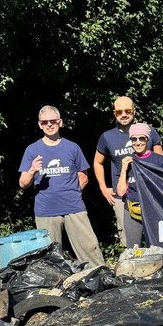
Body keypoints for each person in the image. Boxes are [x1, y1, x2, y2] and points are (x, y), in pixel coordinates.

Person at [19, 105, 105, 267]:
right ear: (39, 124)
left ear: (60, 122)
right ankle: (54, 288)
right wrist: (32, 170)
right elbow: (23, 183)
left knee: (89, 249)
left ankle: (101, 280)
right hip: (46, 211)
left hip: (74, 208)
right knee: (49, 258)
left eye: (53, 121)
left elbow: (83, 176)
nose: (49, 125)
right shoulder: (32, 150)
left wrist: (71, 193)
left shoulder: (72, 147)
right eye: (45, 122)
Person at [94, 96, 163, 245]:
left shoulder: (149, 132)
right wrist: (103, 187)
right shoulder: (107, 137)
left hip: (149, 194)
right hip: (122, 196)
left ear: (134, 111)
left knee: (157, 237)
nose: (124, 114)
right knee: (129, 242)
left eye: (127, 111)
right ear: (114, 113)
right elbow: (98, 162)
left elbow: (160, 163)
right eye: (119, 112)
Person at [116, 123, 163, 247]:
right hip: (133, 210)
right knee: (133, 248)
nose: (138, 142)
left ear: (147, 139)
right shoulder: (127, 161)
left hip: (154, 210)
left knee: (158, 246)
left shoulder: (158, 160)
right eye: (134, 139)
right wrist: (124, 169)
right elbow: (121, 192)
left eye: (141, 138)